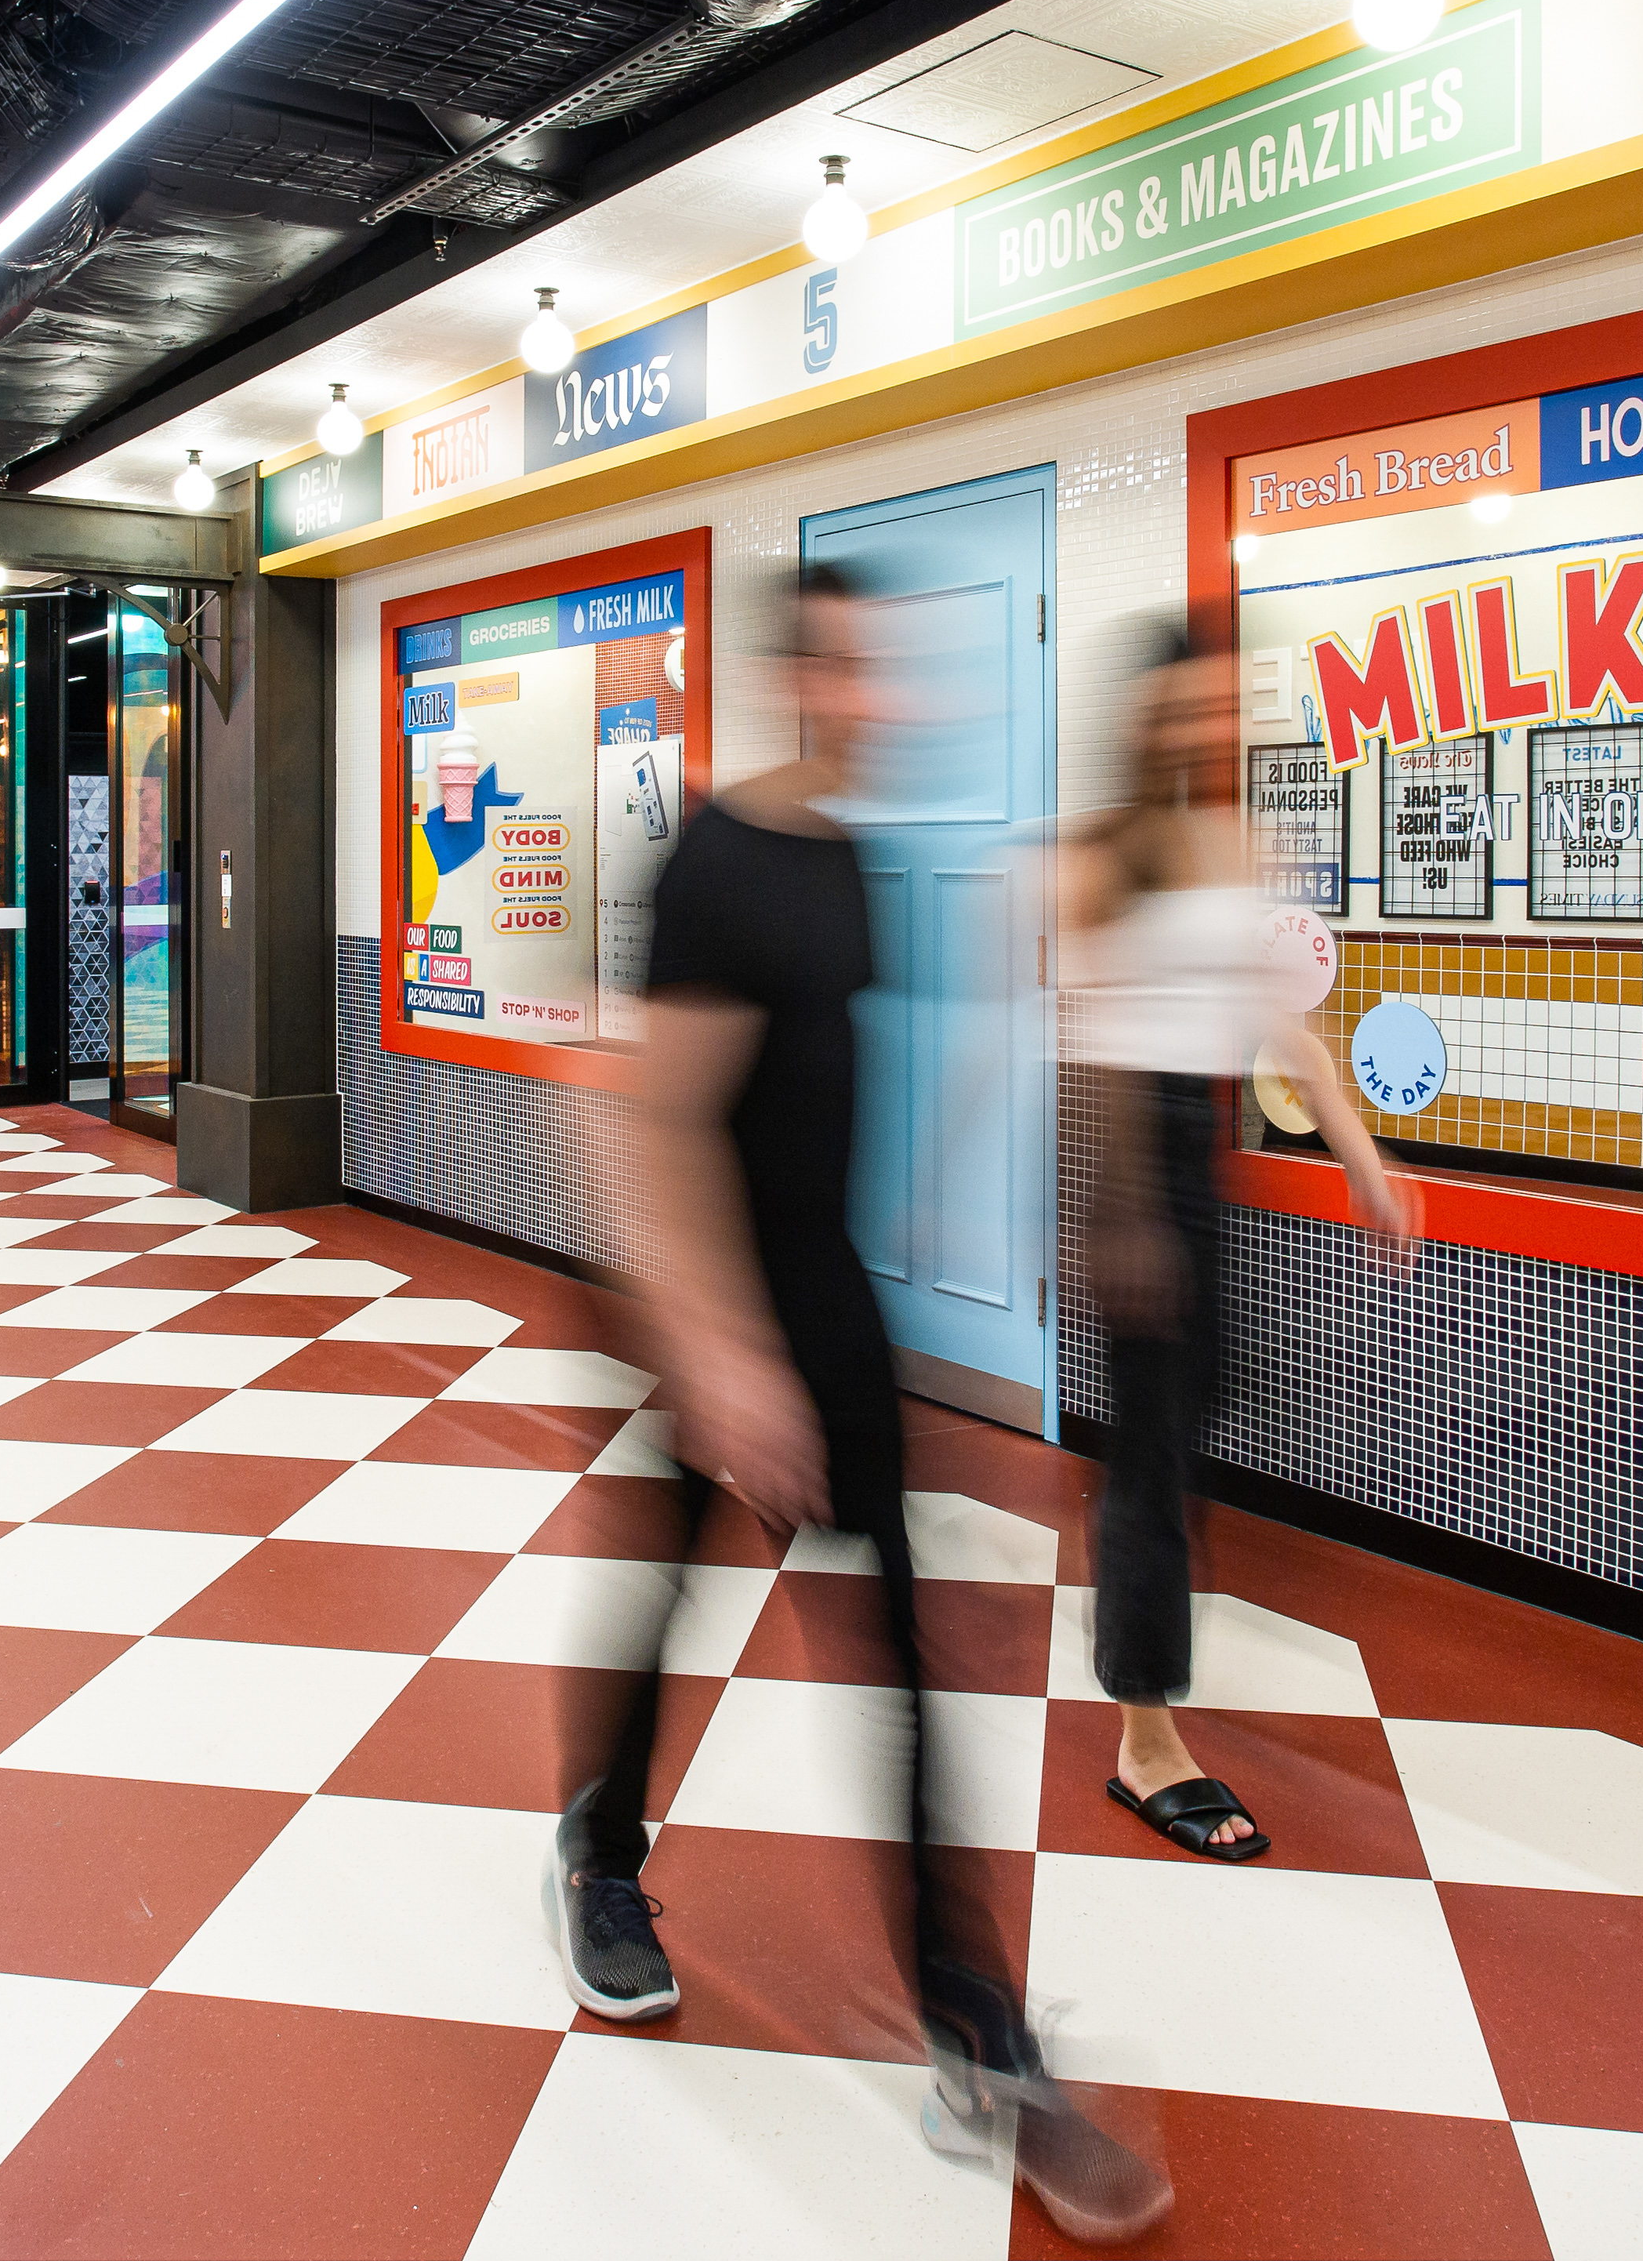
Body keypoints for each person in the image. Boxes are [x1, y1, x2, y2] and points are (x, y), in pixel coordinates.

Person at [544, 564, 1170, 2245]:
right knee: (669, 1594)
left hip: (824, 1296)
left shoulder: (855, 864)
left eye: (903, 668)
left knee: (897, 1644)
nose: (894, 698)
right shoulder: (721, 863)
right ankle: (601, 1853)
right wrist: (725, 1354)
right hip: (715, 1303)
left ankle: (974, 2018)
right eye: (861, 669)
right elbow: (651, 1125)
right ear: (806, 680)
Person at [1057, 624, 1410, 1864]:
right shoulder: (1108, 850)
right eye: (1182, 709)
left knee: (1199, 1404)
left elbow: (1277, 1020)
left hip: (1199, 1160)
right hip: (1132, 1156)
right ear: (1144, 717)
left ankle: (1131, 1608)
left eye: (1222, 709)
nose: (1206, 729)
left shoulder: (1235, 843)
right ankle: (1144, 1737)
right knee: (1155, 1447)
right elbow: (1094, 1045)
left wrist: (1363, 1159)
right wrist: (1125, 1210)